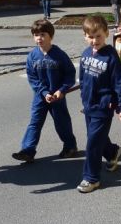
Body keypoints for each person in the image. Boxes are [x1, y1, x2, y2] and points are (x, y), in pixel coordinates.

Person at [11, 19, 78, 163]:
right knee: (35, 123)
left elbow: (70, 74)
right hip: (40, 97)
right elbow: (32, 78)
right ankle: (27, 150)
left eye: (42, 34)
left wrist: (62, 90)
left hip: (57, 97)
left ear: (50, 36)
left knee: (62, 122)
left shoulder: (59, 55)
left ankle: (70, 146)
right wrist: (43, 92)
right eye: (36, 35)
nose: (39, 38)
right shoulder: (32, 56)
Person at [77, 15, 121, 193]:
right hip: (89, 105)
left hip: (104, 106)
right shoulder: (85, 54)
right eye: (90, 37)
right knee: (97, 138)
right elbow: (83, 80)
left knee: (92, 143)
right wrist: (84, 99)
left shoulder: (111, 56)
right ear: (85, 36)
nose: (94, 41)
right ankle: (112, 152)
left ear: (106, 34)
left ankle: (91, 178)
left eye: (98, 36)